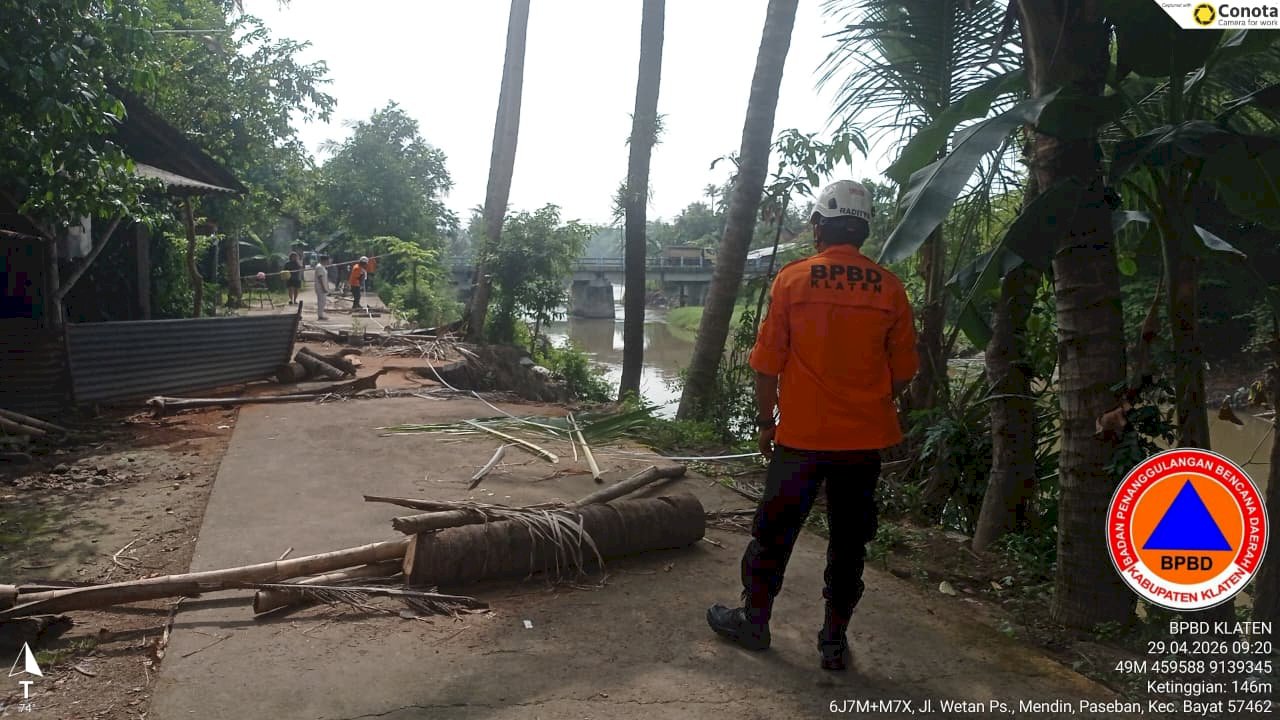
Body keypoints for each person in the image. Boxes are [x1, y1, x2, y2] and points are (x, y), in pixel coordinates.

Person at [705, 180, 919, 672]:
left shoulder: (794, 280)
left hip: (799, 440)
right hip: (863, 444)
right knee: (849, 543)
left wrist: (765, 421)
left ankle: (754, 623)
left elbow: (766, 364)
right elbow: (905, 371)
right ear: (863, 230)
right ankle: (833, 642)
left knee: (773, 535)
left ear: (820, 226)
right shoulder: (890, 287)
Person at [313, 255, 331, 320]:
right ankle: (320, 315)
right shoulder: (319, 267)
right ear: (324, 260)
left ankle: (321, 314)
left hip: (322, 287)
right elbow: (320, 278)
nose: (329, 261)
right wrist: (323, 288)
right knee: (321, 302)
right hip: (320, 287)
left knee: (323, 302)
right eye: (328, 260)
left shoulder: (322, 267)